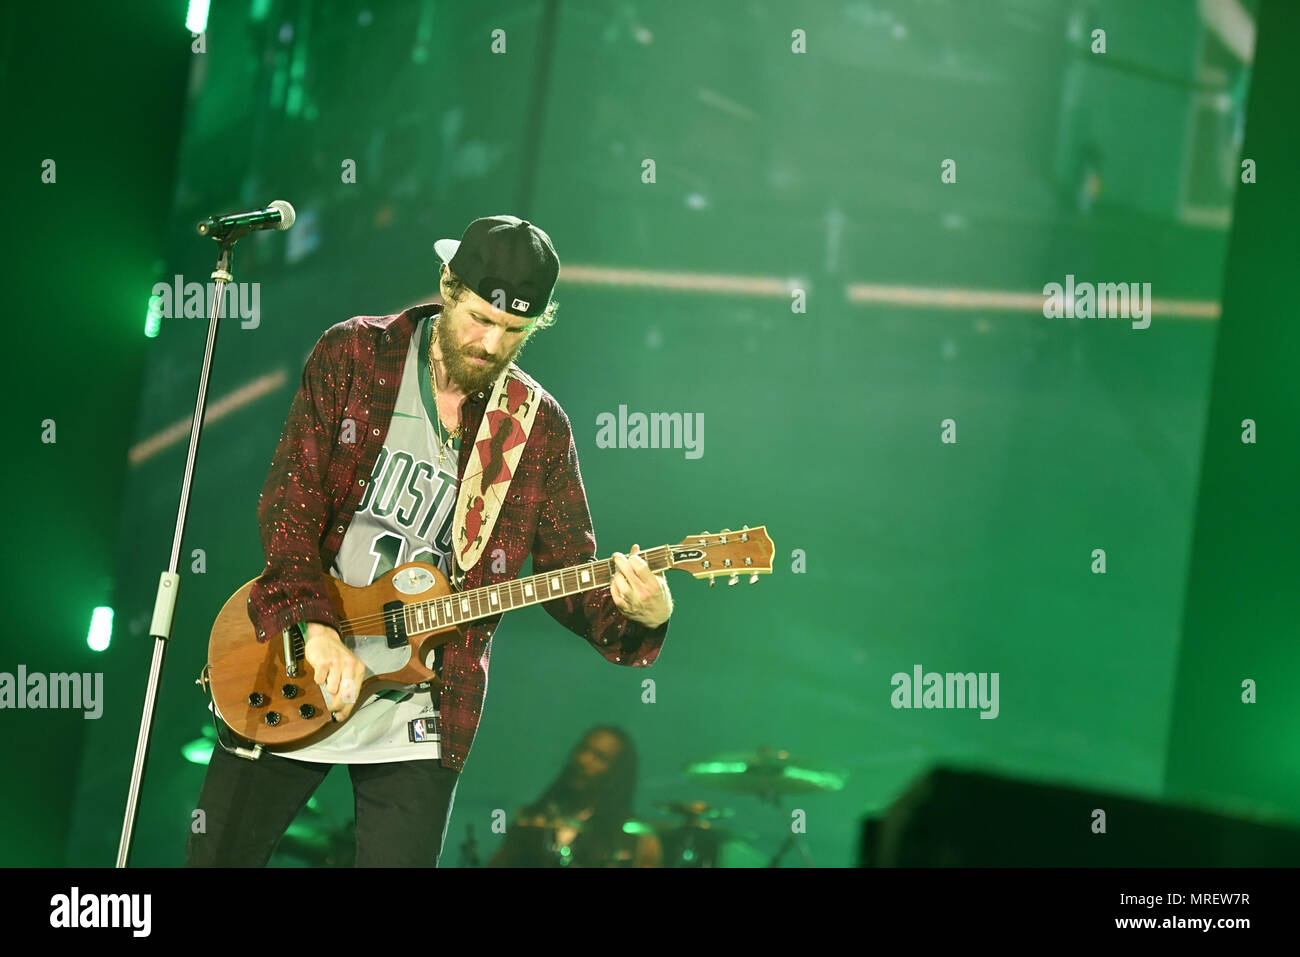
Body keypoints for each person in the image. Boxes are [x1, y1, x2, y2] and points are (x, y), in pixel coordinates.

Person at [187, 214, 672, 867]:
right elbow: (289, 504)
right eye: (478, 317)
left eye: (512, 332)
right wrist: (314, 626)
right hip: (298, 661)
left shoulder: (537, 430)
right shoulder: (356, 354)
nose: (489, 343)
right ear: (449, 284)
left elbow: (569, 575)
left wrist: (642, 616)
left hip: (422, 707)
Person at [488, 726, 661, 868]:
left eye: (599, 757)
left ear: (618, 773)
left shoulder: (636, 838)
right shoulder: (531, 820)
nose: (584, 760)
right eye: (583, 749)